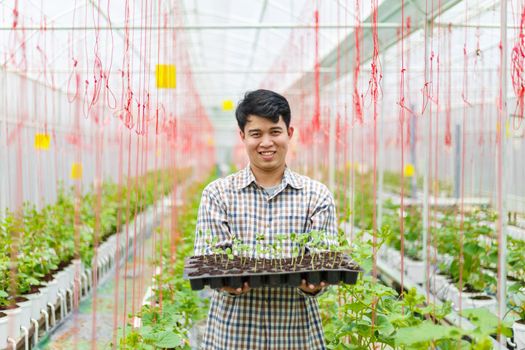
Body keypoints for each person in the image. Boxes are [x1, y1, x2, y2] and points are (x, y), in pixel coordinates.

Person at [194, 89, 338, 349]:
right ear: (243, 137)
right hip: (233, 339)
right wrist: (226, 281)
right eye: (256, 134)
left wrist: (314, 284)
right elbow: (209, 258)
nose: (266, 143)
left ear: (289, 134)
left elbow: (323, 259)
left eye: (275, 131)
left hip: (296, 338)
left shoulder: (317, 196)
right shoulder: (217, 195)